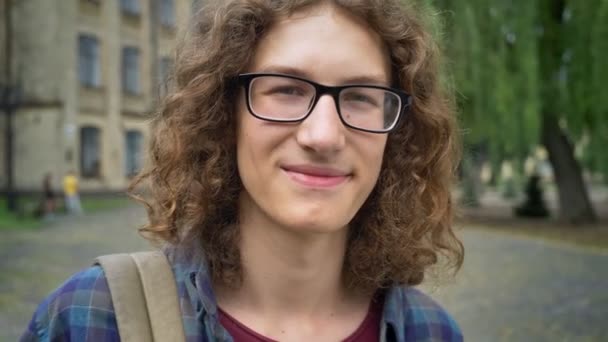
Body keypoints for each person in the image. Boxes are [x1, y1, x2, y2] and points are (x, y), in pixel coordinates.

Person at [22, 0, 464, 340]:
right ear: (224, 113)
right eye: (287, 89)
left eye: (361, 96)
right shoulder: (95, 318)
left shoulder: (430, 331)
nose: (324, 135)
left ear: (397, 132)